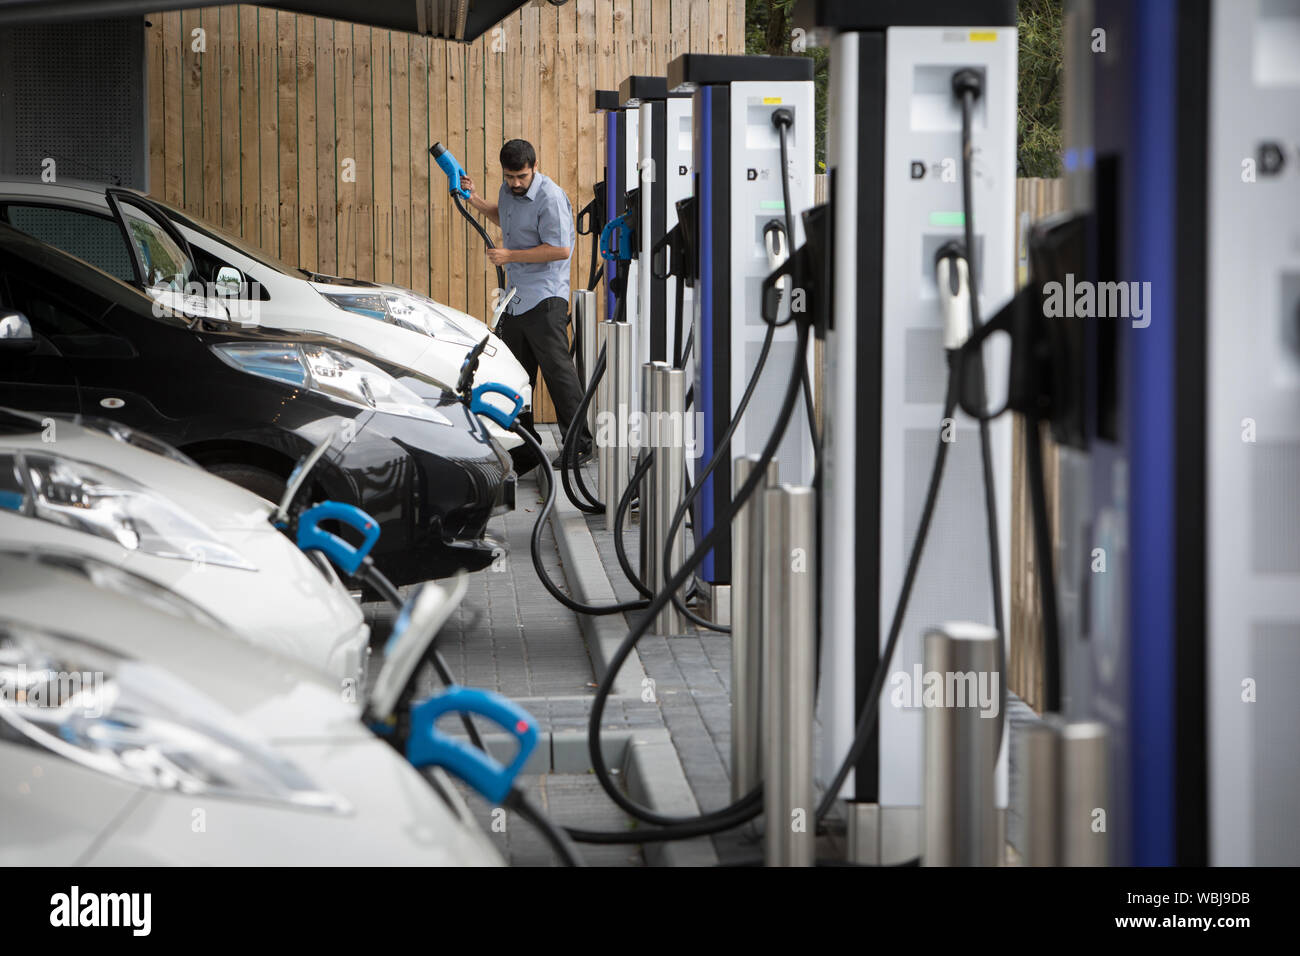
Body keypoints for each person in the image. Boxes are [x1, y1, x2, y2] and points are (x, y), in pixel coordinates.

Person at [460, 139, 593, 466]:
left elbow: (560, 249)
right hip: (516, 300)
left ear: (534, 168)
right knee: (515, 376)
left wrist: (509, 255)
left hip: (546, 297)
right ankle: (526, 451)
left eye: (522, 176)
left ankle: (580, 445)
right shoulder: (508, 192)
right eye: (510, 177)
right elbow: (503, 216)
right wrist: (474, 198)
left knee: (558, 373)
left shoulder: (550, 197)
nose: (516, 183)